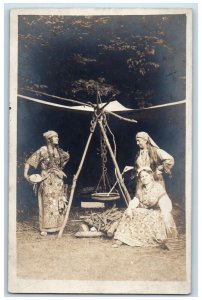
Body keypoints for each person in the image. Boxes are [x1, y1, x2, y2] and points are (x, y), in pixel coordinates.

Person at [113, 167, 178, 248]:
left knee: (151, 216)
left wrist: (165, 214)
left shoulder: (158, 187)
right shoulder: (140, 189)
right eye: (142, 177)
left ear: (151, 176)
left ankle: (151, 239)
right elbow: (136, 200)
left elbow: (164, 203)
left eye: (146, 176)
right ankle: (122, 238)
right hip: (146, 210)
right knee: (129, 212)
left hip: (158, 211)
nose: (144, 178)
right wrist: (130, 208)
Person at [24, 130, 70, 236]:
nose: (57, 138)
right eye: (55, 137)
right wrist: (25, 174)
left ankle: (58, 226)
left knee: (59, 203)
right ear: (49, 139)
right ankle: (45, 228)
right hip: (47, 180)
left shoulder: (59, 151)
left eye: (57, 137)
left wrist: (60, 169)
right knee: (48, 203)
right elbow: (30, 161)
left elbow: (66, 157)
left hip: (58, 181)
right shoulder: (43, 150)